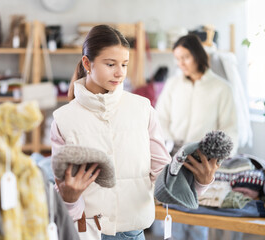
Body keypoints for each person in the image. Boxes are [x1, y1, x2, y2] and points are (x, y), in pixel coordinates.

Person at [50, 25, 217, 240]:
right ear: (87, 63)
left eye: (124, 64)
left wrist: (201, 183)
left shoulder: (142, 109)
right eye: (110, 64)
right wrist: (70, 200)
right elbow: (61, 192)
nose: (119, 72)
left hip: (134, 234)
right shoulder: (64, 119)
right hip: (86, 234)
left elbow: (162, 179)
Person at [155, 34, 239, 240]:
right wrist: (166, 145)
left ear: (198, 55)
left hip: (202, 162)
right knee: (170, 216)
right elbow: (160, 119)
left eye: (185, 57)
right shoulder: (173, 85)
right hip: (172, 157)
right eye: (177, 58)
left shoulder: (222, 88)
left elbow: (230, 130)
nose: (180, 63)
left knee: (196, 218)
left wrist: (215, 159)